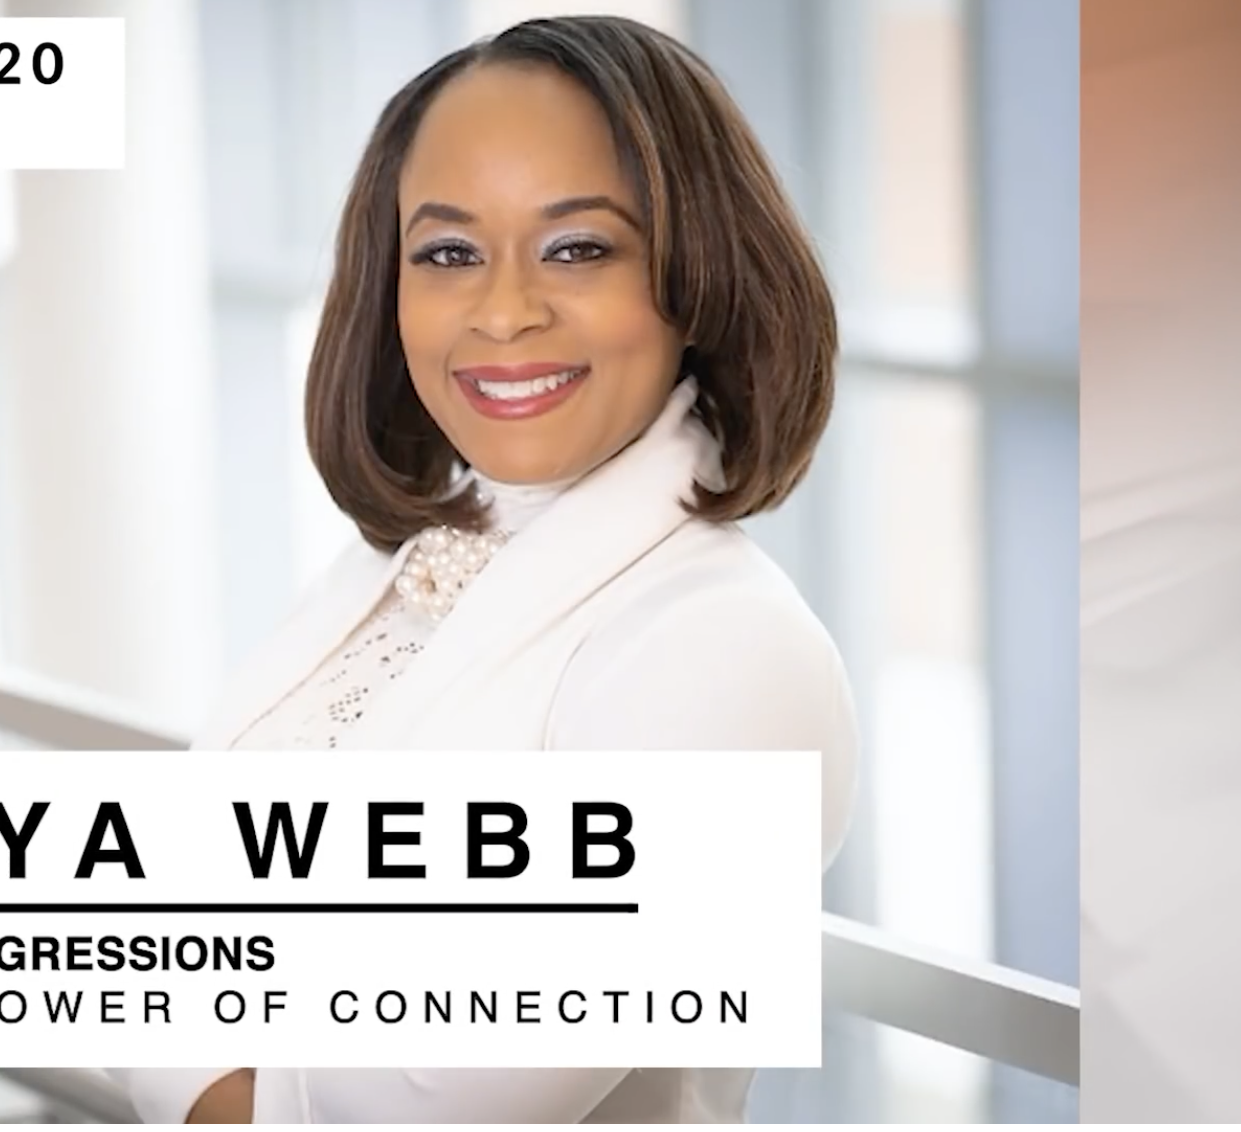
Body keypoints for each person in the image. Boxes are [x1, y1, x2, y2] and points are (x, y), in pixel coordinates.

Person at [119, 14, 857, 1123]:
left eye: (578, 247)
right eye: (449, 252)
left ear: (695, 273)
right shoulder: (402, 558)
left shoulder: (728, 648)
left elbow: (426, 1104)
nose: (505, 311)